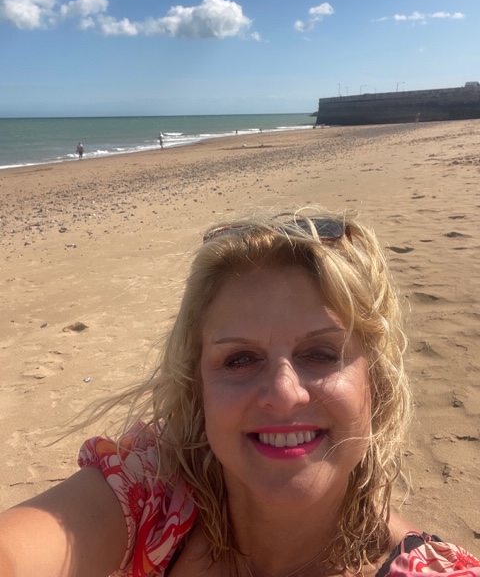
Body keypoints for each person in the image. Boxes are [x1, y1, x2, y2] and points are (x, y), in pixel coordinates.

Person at [1, 207, 479, 577]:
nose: (283, 394)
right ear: (198, 386)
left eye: (320, 353)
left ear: (375, 380)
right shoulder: (151, 494)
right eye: (240, 359)